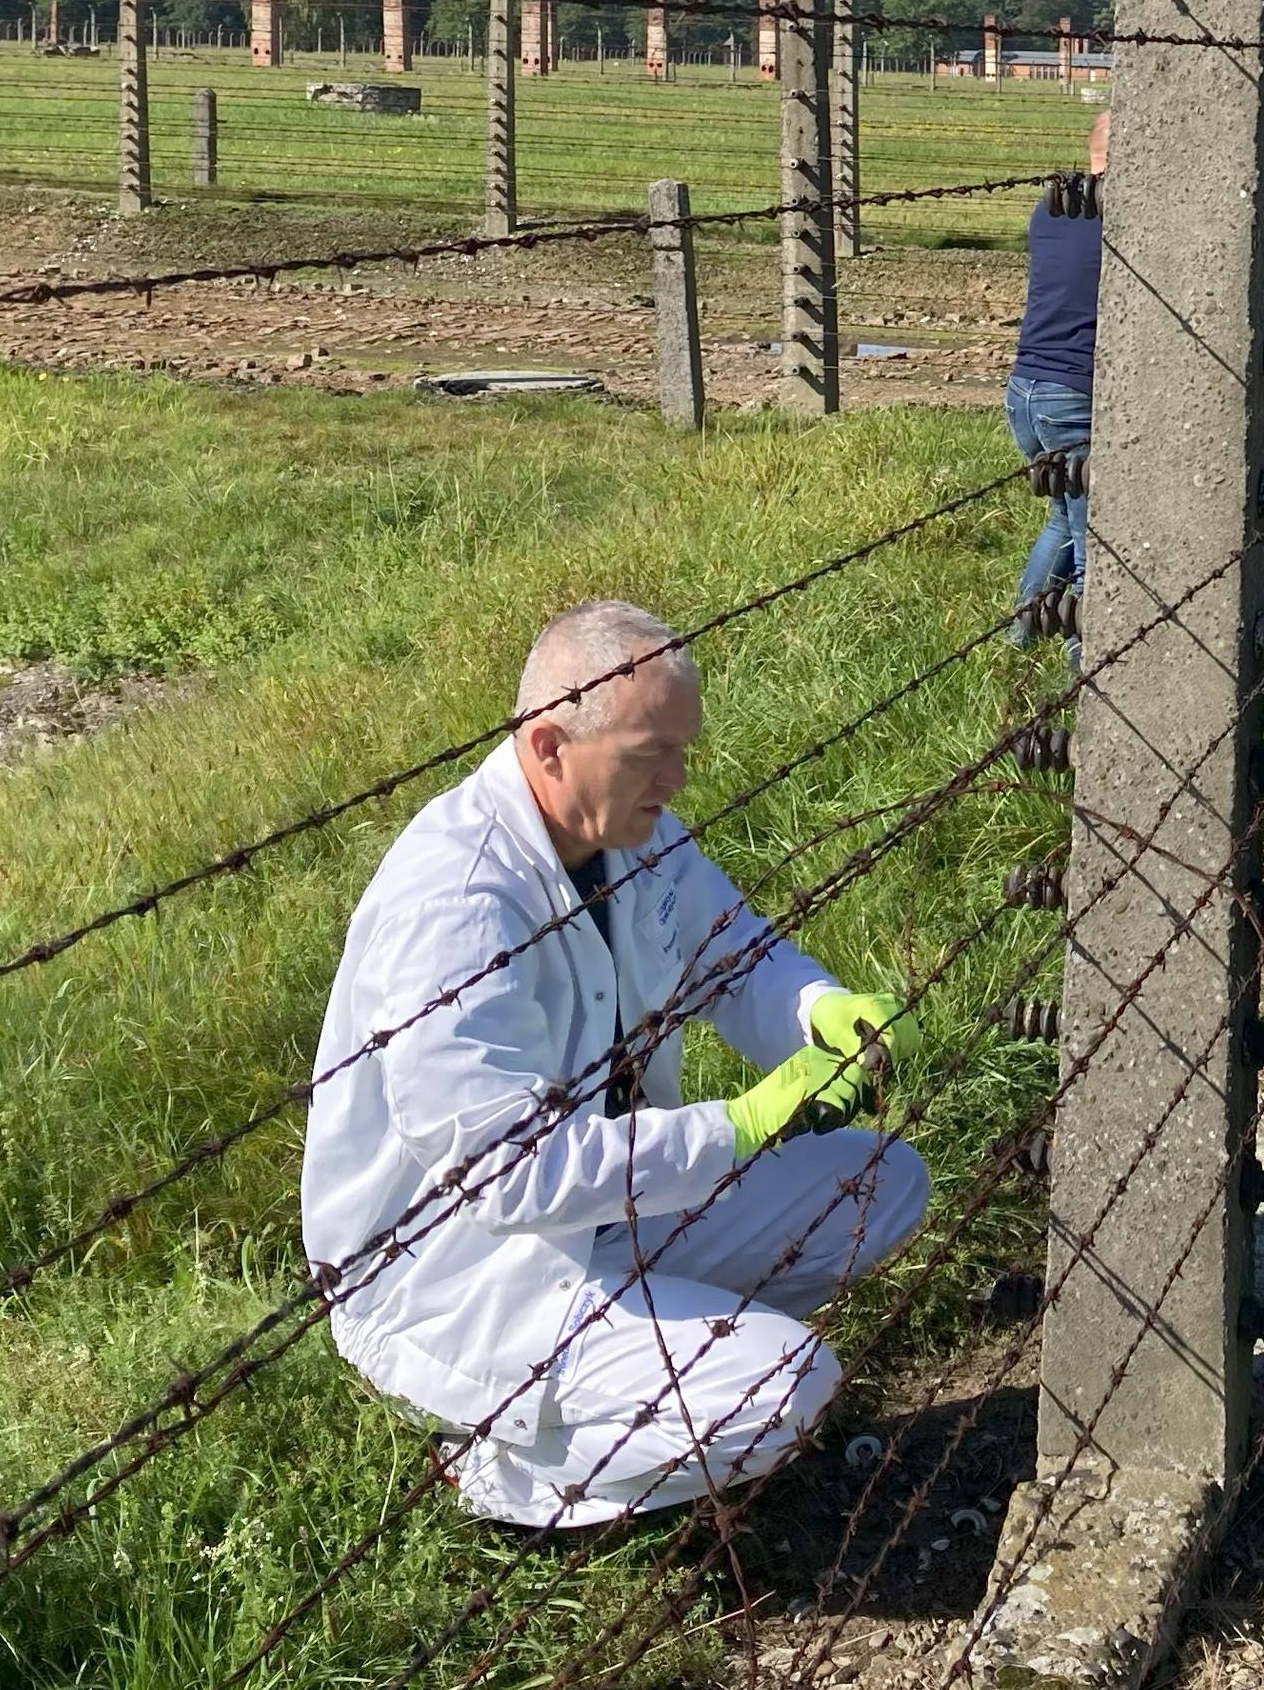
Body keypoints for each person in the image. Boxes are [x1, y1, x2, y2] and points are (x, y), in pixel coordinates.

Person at [302, 601, 927, 1529]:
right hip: (468, 1272)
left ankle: (658, 1354)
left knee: (886, 1181)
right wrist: (741, 1126)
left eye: (683, 751)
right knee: (789, 1388)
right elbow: (503, 1177)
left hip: (610, 1207)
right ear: (550, 745)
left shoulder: (625, 830)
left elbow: (733, 955)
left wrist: (817, 1013)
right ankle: (501, 1470)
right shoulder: (457, 908)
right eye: (651, 755)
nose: (675, 782)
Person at [1006, 107, 1264, 633]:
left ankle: (1024, 635)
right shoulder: (1144, 217)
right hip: (1076, 397)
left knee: (1065, 519)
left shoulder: (1055, 209)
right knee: (1098, 542)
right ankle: (1084, 677)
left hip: (1026, 390)